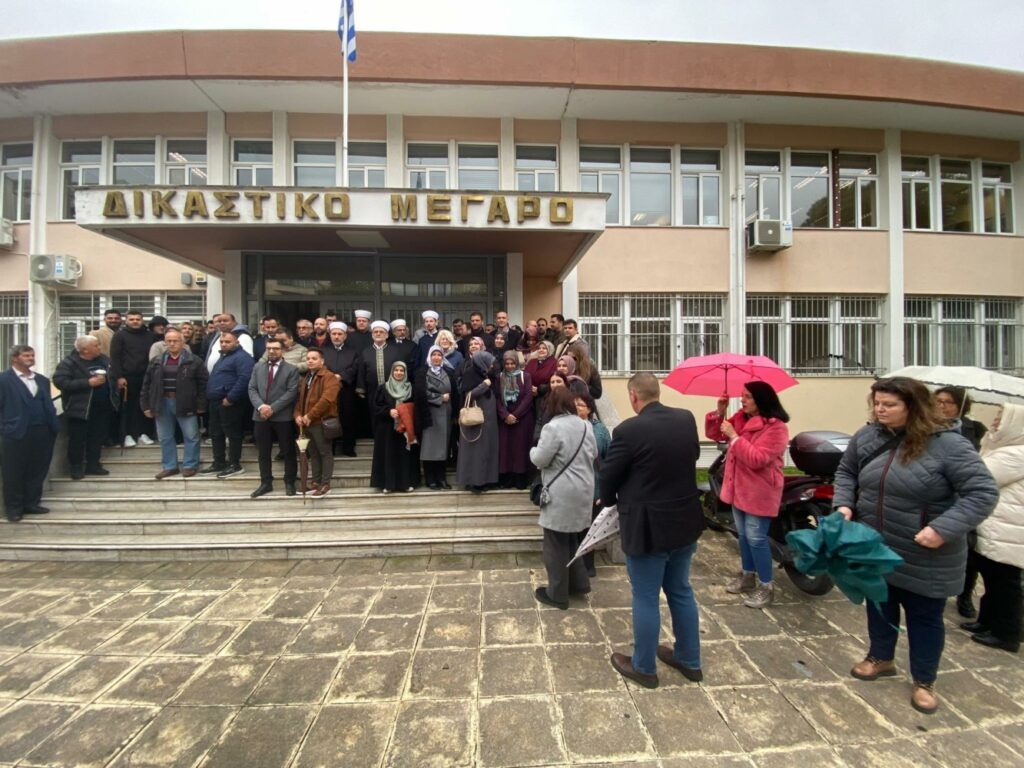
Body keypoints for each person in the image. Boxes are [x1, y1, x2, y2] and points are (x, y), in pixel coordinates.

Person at [834, 376, 998, 714]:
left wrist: (942, 529)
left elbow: (982, 493)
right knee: (879, 605)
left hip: (925, 551)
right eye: (877, 403)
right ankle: (880, 657)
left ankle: (924, 680)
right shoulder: (868, 436)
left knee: (925, 617)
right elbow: (846, 472)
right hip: (875, 545)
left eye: (889, 404)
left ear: (913, 406)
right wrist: (844, 504)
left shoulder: (949, 445)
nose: (880, 409)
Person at [600, 372, 705, 688]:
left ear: (633, 395)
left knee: (646, 596)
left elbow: (608, 478)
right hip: (684, 520)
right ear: (657, 392)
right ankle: (690, 660)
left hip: (647, 527)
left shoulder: (628, 430)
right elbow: (692, 457)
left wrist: (610, 499)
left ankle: (644, 667)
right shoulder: (686, 419)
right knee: (681, 590)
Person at [705, 382, 791, 608]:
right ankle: (747, 575)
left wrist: (735, 437)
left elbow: (757, 459)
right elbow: (714, 434)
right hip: (738, 488)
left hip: (759, 491)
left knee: (756, 538)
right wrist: (720, 412)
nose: (742, 400)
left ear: (762, 400)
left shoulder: (776, 428)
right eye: (742, 396)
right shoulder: (741, 418)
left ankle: (766, 586)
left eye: (748, 397)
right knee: (743, 535)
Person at [962, 404, 1023, 653]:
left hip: (1008, 529)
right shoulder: (1003, 449)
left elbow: (979, 477)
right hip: (997, 525)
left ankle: (1007, 634)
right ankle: (987, 622)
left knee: (1005, 583)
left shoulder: (1016, 454)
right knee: (991, 578)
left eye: (1002, 417)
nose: (996, 421)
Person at [530, 387, 598, 609]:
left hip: (561, 493)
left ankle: (557, 594)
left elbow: (540, 459)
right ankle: (579, 584)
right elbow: (594, 454)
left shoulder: (552, 427)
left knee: (555, 543)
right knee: (571, 539)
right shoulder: (586, 425)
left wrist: (532, 451)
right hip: (584, 489)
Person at [935, 386, 988, 618]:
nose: (941, 406)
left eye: (948, 402)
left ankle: (964, 595)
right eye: (938, 401)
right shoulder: (924, 427)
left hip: (963, 495)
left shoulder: (975, 430)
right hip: (936, 494)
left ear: (961, 406)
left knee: (966, 548)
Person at [0, 345, 59, 522]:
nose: (31, 358)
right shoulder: (4, 380)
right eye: (26, 355)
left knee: (37, 469)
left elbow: (47, 403)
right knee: (13, 471)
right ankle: (14, 508)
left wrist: (53, 425)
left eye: (32, 355)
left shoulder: (41, 380)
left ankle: (31, 503)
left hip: (42, 431)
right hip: (15, 432)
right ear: (14, 358)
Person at [140, 327, 208, 479]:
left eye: (175, 341)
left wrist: (201, 405)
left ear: (183, 342)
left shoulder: (194, 360)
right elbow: (146, 384)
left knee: (191, 436)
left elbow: (203, 384)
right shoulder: (156, 361)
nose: (172, 344)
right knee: (165, 437)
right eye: (168, 341)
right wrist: (145, 405)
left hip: (186, 402)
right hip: (161, 402)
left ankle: (190, 465)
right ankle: (170, 466)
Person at [53, 336, 117, 480]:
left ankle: (93, 465)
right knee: (77, 439)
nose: (99, 348)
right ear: (85, 350)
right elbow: (61, 382)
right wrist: (87, 383)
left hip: (102, 407)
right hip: (80, 408)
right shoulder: (69, 363)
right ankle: (76, 467)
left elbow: (112, 375)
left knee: (97, 437)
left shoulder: (104, 360)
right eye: (96, 345)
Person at [248, 338, 299, 498]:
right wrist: (261, 407)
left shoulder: (291, 369)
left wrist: (273, 408)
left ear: (282, 350)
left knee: (288, 451)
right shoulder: (258, 367)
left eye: (275, 348)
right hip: (261, 416)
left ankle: (289, 481)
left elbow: (291, 392)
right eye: (269, 348)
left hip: (282, 417)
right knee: (263, 452)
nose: (271, 351)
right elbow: (252, 388)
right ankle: (266, 482)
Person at [201, 331, 254, 478]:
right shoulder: (223, 357)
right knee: (215, 433)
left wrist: (231, 398)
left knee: (233, 434)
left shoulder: (242, 358)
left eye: (228, 342)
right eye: (222, 342)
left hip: (230, 402)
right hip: (215, 401)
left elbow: (245, 379)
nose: (224, 344)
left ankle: (234, 464)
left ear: (237, 342)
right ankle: (219, 462)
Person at [294, 348, 339, 497]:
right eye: (308, 359)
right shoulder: (307, 377)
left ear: (322, 361)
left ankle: (325, 484)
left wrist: (310, 415)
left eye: (314, 358)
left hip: (321, 421)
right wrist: (298, 415)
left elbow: (327, 399)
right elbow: (300, 400)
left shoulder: (329, 377)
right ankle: (315, 482)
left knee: (325, 452)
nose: (310, 361)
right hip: (307, 423)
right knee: (313, 453)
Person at [109, 309, 157, 447]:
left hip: (147, 377)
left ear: (142, 320)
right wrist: (119, 376)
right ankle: (127, 435)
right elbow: (115, 358)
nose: (135, 322)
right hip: (127, 377)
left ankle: (143, 433)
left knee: (144, 406)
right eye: (132, 319)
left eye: (137, 319)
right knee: (128, 407)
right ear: (126, 320)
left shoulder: (150, 336)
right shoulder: (119, 335)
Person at [576, 390, 611, 578]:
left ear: (590, 408)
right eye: (574, 405)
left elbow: (609, 459)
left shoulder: (600, 430)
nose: (577, 408)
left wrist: (604, 490)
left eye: (580, 405)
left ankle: (588, 566)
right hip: (573, 487)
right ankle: (574, 565)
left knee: (589, 530)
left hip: (594, 485)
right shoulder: (568, 427)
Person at [456, 344, 500, 493]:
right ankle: (474, 481)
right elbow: (468, 393)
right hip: (475, 419)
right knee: (475, 451)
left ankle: (487, 479)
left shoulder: (488, 374)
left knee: (488, 449)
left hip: (489, 418)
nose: (492, 366)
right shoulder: (471, 374)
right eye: (489, 362)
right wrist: (484, 385)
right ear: (482, 362)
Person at [371, 360, 419, 493]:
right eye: (396, 370)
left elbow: (416, 407)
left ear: (405, 373)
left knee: (405, 456)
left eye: (402, 370)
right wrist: (388, 411)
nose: (399, 373)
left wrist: (406, 411)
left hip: (405, 429)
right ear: (392, 372)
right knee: (389, 455)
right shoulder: (383, 388)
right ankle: (388, 484)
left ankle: (405, 484)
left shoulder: (411, 388)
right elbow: (375, 406)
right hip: (387, 428)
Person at [414, 345, 458, 490]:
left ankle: (441, 478)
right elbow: (420, 393)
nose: (437, 357)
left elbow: (454, 393)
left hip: (445, 414)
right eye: (434, 355)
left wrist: (455, 413)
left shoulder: (449, 372)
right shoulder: (422, 373)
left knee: (443, 447)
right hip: (429, 414)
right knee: (429, 447)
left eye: (439, 355)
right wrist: (439, 398)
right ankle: (430, 478)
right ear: (429, 357)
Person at [321, 322, 360, 457]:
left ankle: (348, 447)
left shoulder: (353, 351)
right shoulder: (323, 351)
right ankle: (330, 448)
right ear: (330, 335)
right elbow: (321, 366)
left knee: (348, 418)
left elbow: (355, 367)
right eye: (334, 334)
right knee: (329, 418)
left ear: (345, 336)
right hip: (327, 389)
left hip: (346, 389)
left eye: (339, 334)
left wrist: (341, 376)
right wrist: (332, 377)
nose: (336, 336)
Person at [496, 351, 535, 489]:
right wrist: (505, 415)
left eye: (512, 363)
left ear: (517, 363)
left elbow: (528, 397)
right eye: (507, 363)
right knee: (506, 448)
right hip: (505, 419)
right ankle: (507, 478)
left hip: (522, 419)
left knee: (521, 448)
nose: (510, 366)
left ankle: (520, 478)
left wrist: (515, 415)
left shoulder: (525, 376)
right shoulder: (500, 377)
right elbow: (497, 398)